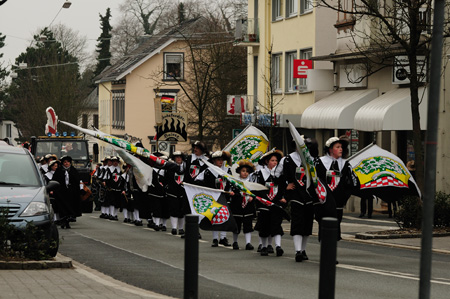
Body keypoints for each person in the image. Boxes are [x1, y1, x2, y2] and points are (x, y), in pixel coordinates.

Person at [282, 138, 318, 262]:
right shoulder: (287, 160)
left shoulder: (312, 160)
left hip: (309, 196)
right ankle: (297, 250)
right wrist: (285, 186)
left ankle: (303, 250)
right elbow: (277, 176)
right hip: (296, 196)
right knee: (297, 223)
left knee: (307, 224)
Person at [315, 136, 357, 241]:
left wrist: (344, 197)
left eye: (341, 147)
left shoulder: (345, 165)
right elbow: (315, 181)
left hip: (338, 204)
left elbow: (352, 183)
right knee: (324, 228)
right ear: (330, 149)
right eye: (337, 147)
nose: (341, 149)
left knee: (335, 229)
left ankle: (331, 255)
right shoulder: (319, 163)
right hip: (323, 203)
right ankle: (326, 254)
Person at [251, 149, 286, 257]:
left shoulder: (280, 174)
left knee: (276, 225)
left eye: (276, 161)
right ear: (267, 162)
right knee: (264, 226)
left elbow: (283, 187)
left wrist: (284, 197)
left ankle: (278, 246)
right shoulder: (259, 174)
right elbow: (255, 188)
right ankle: (264, 246)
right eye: (272, 160)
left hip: (276, 203)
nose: (275, 163)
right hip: (264, 204)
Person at [195, 150, 233, 247]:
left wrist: (231, 190)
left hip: (225, 196)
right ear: (214, 161)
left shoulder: (227, 171)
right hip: (213, 197)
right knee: (215, 218)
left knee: (225, 216)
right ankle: (215, 238)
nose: (220, 162)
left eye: (222, 160)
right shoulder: (208, 171)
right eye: (218, 160)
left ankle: (223, 238)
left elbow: (232, 183)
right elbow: (197, 180)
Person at [229, 160, 256, 250]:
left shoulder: (251, 183)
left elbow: (255, 192)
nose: (245, 173)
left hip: (248, 205)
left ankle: (248, 243)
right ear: (239, 172)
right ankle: (235, 242)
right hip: (237, 205)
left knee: (248, 224)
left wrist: (252, 197)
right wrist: (232, 193)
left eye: (247, 171)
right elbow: (231, 191)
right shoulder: (235, 182)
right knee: (236, 225)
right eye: (243, 171)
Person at [52, 155, 81, 229]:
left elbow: (77, 180)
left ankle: (68, 221)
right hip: (61, 192)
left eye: (68, 162)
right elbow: (55, 180)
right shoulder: (59, 171)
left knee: (70, 207)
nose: (66, 163)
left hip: (71, 192)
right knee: (62, 207)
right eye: (65, 162)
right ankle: (63, 221)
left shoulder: (73, 170)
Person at [163, 151, 187, 236]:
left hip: (183, 192)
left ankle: (181, 228)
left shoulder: (185, 168)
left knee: (182, 211)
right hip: (172, 192)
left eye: (180, 157)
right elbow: (165, 179)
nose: (179, 159)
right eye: (177, 157)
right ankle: (174, 228)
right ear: (174, 159)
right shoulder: (170, 168)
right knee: (174, 210)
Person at [104, 156, 125, 221]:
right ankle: (111, 214)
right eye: (114, 161)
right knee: (111, 202)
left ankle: (115, 214)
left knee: (117, 203)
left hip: (118, 189)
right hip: (111, 188)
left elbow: (122, 179)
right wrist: (108, 186)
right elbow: (106, 178)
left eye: (116, 161)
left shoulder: (120, 170)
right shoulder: (109, 169)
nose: (115, 163)